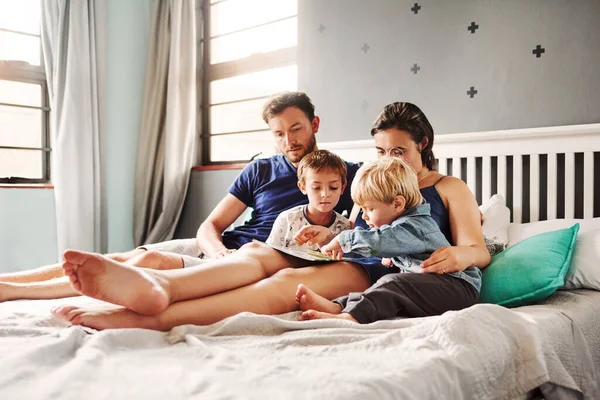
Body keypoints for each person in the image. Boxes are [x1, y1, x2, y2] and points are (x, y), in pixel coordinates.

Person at [49, 101, 490, 331]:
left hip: (366, 266)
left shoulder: (448, 188)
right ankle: (159, 286)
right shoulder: (374, 179)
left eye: (399, 151)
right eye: (379, 151)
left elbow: (478, 251)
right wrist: (320, 234)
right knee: (255, 256)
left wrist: (459, 257)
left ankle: (153, 316)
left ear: (424, 143)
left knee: (279, 285)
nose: (388, 160)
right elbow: (352, 220)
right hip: (336, 250)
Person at [0, 92, 358, 302]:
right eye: (278, 133)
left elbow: (368, 223)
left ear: (315, 125)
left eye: (296, 129)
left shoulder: (344, 175)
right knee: (126, 255)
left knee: (148, 261)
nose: (288, 141)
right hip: (223, 249)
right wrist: (217, 250)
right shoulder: (261, 169)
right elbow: (212, 225)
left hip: (252, 260)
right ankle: (10, 281)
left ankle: (20, 295)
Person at [294, 157, 480, 323]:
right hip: (438, 288)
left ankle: (351, 317)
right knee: (379, 287)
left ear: (397, 204)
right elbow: (399, 244)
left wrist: (344, 239)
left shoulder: (416, 225)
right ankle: (338, 306)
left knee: (392, 283)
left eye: (369, 209)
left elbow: (381, 240)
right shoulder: (403, 227)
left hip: (458, 288)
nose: (364, 217)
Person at [266, 149, 352, 251]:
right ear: (303, 187)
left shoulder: (345, 228)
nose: (325, 194)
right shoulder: (287, 219)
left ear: (342, 188)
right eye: (316, 187)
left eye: (333, 187)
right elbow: (270, 254)